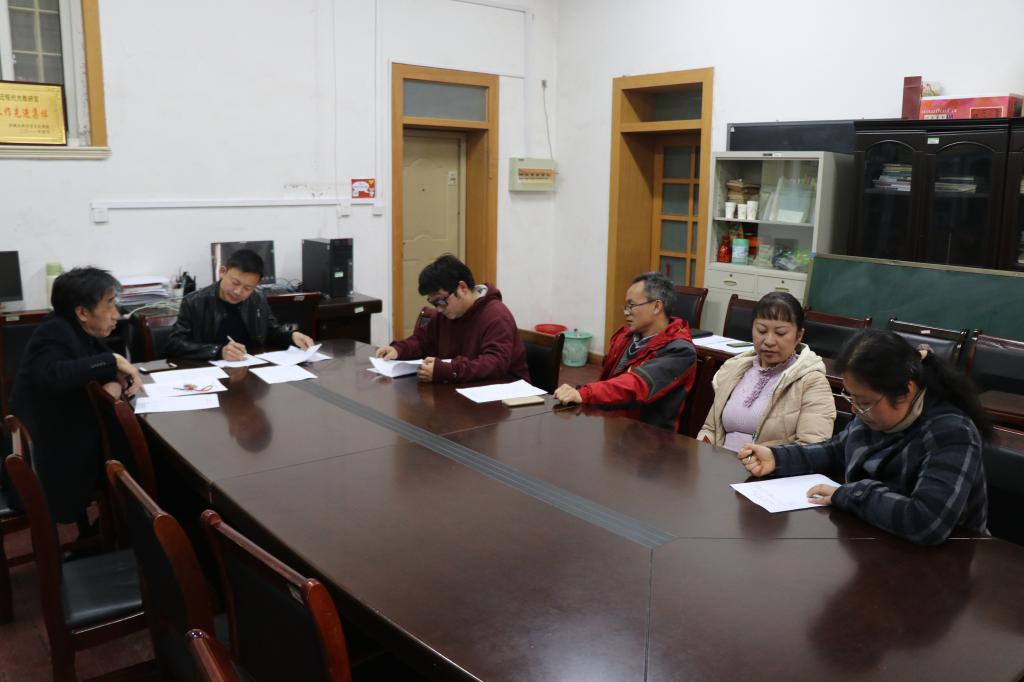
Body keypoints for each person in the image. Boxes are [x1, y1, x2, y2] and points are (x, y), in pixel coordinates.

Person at [737, 329, 991, 545]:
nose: (855, 410)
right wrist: (777, 458)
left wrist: (848, 494)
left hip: (947, 561)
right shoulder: (876, 412)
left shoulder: (951, 432)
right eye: (852, 397)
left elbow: (925, 521)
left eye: (864, 402)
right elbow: (837, 450)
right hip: (880, 542)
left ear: (905, 391)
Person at [8, 267, 142, 523]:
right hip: (53, 456)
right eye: (110, 304)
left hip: (69, 435)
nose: (117, 314)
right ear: (82, 312)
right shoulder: (54, 331)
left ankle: (126, 523)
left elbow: (99, 367)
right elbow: (55, 374)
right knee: (137, 453)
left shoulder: (77, 330)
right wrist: (112, 361)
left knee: (133, 446)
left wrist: (112, 378)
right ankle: (136, 524)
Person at [554, 272, 696, 432]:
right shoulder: (626, 337)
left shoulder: (680, 350)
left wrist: (585, 393)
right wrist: (580, 393)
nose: (626, 312)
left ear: (657, 306)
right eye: (626, 306)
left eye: (631, 305)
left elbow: (635, 385)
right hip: (613, 425)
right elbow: (608, 382)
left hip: (648, 437)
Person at [696, 292, 835, 450]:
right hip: (719, 461)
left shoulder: (812, 382)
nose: (769, 341)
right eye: (761, 331)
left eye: (780, 333)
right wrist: (702, 451)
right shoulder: (734, 369)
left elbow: (812, 449)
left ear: (799, 335)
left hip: (768, 466)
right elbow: (710, 429)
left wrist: (764, 460)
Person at [375, 254, 529, 383]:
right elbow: (423, 342)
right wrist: (398, 350)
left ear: (462, 288)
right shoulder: (445, 314)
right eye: (433, 303)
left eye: (441, 301)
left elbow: (494, 364)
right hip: (465, 389)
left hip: (506, 395)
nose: (438, 309)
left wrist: (449, 370)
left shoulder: (496, 315)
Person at [165, 249, 314, 360]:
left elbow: (271, 332)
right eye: (235, 283)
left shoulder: (257, 299)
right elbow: (175, 343)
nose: (238, 292)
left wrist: (291, 336)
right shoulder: (195, 301)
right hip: (209, 374)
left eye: (248, 288)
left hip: (250, 370)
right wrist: (218, 351)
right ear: (222, 272)